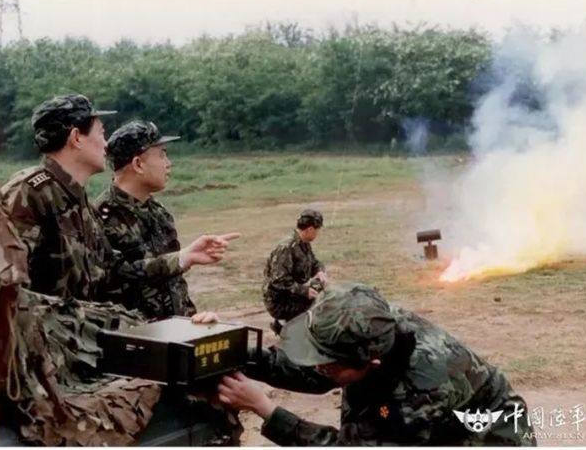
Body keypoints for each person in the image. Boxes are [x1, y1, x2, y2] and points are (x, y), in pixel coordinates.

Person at [218, 282, 537, 446]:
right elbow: (315, 369)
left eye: (325, 363)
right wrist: (233, 350)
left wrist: (266, 410)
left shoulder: (416, 397)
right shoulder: (370, 322)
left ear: (371, 362)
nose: (316, 367)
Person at [1, 95, 237, 306]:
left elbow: (112, 272)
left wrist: (184, 258)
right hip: (50, 340)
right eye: (101, 134)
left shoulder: (78, 203)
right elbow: (3, 291)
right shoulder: (29, 192)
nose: (106, 145)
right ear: (76, 137)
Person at [96, 120, 197, 320]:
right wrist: (182, 259)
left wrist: (190, 319)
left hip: (175, 329)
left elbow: (174, 283)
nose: (168, 163)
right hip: (136, 333)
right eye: (162, 155)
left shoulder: (159, 212)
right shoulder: (102, 217)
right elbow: (115, 276)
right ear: (138, 164)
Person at [262, 209, 327, 334]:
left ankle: (288, 325)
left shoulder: (303, 243)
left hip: (291, 293)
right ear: (310, 229)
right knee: (319, 306)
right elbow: (279, 281)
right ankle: (285, 327)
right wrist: (305, 291)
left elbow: (314, 263)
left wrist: (320, 271)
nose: (318, 233)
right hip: (279, 300)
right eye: (317, 230)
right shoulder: (286, 248)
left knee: (321, 295)